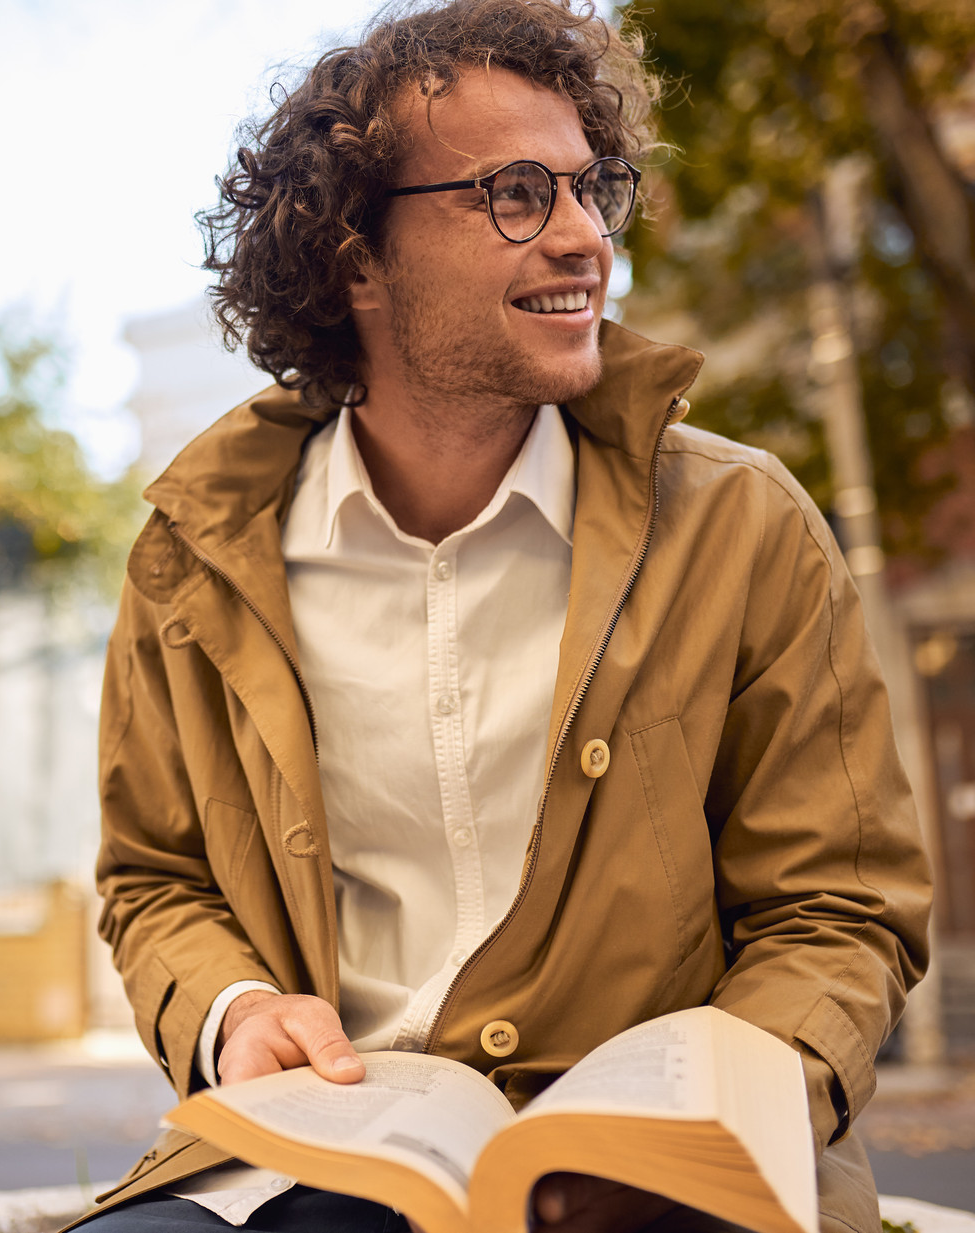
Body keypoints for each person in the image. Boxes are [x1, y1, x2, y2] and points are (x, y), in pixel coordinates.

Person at [78, 0, 932, 1230]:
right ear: (353, 257)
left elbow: (838, 907)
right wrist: (233, 1014)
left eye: (595, 189)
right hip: (316, 1167)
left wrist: (723, 1110)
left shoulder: (742, 526)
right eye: (519, 194)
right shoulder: (191, 562)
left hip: (670, 1178)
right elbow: (158, 878)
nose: (586, 238)